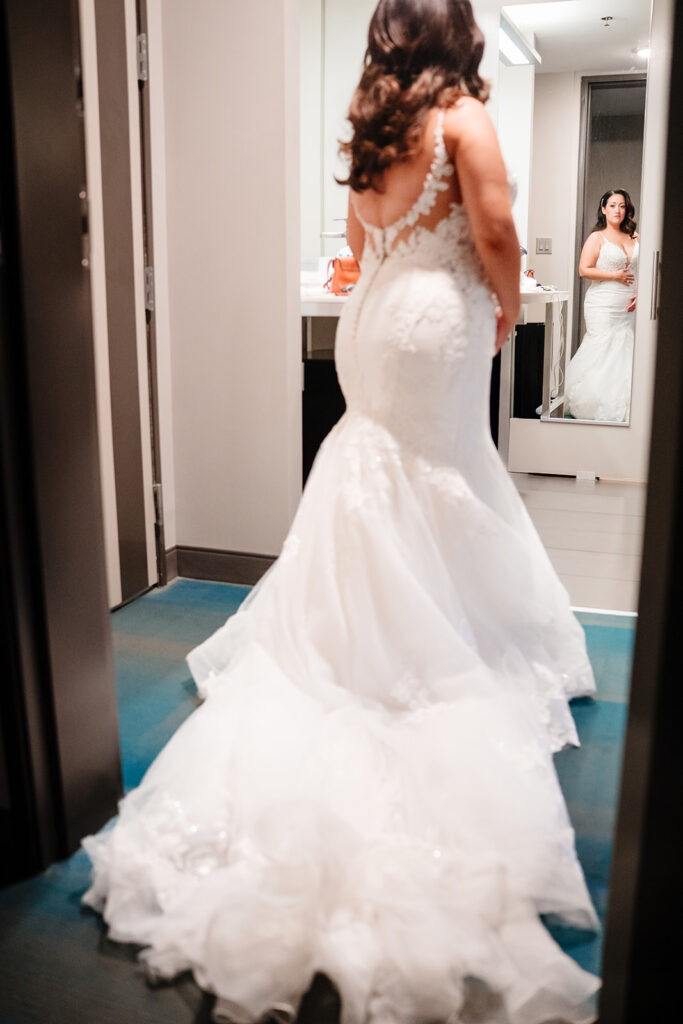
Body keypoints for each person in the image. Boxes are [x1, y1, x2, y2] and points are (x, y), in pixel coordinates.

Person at [83, 2, 601, 1021]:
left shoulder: (370, 123)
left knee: (377, 466)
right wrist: (501, 305)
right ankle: (429, 646)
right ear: (457, 38)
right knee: (438, 474)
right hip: (433, 320)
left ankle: (358, 634)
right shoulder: (461, 119)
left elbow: (362, 252)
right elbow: (493, 229)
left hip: (374, 319)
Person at [564, 188, 639, 421]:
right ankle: (593, 403)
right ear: (604, 209)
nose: (618, 210)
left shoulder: (635, 236)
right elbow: (584, 269)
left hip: (630, 305)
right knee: (604, 347)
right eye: (613, 205)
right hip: (603, 303)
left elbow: (647, 267)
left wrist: (643, 294)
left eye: (622, 206)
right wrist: (614, 276)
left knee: (626, 349)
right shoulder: (597, 237)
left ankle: (625, 405)